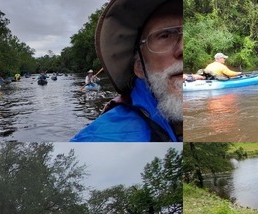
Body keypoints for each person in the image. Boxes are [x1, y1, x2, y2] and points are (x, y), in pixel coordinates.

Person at [72, 0, 182, 142]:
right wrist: (91, 82)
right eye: (165, 35)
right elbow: (90, 83)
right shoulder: (99, 140)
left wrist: (96, 80)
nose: (182, 48)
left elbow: (97, 81)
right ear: (139, 67)